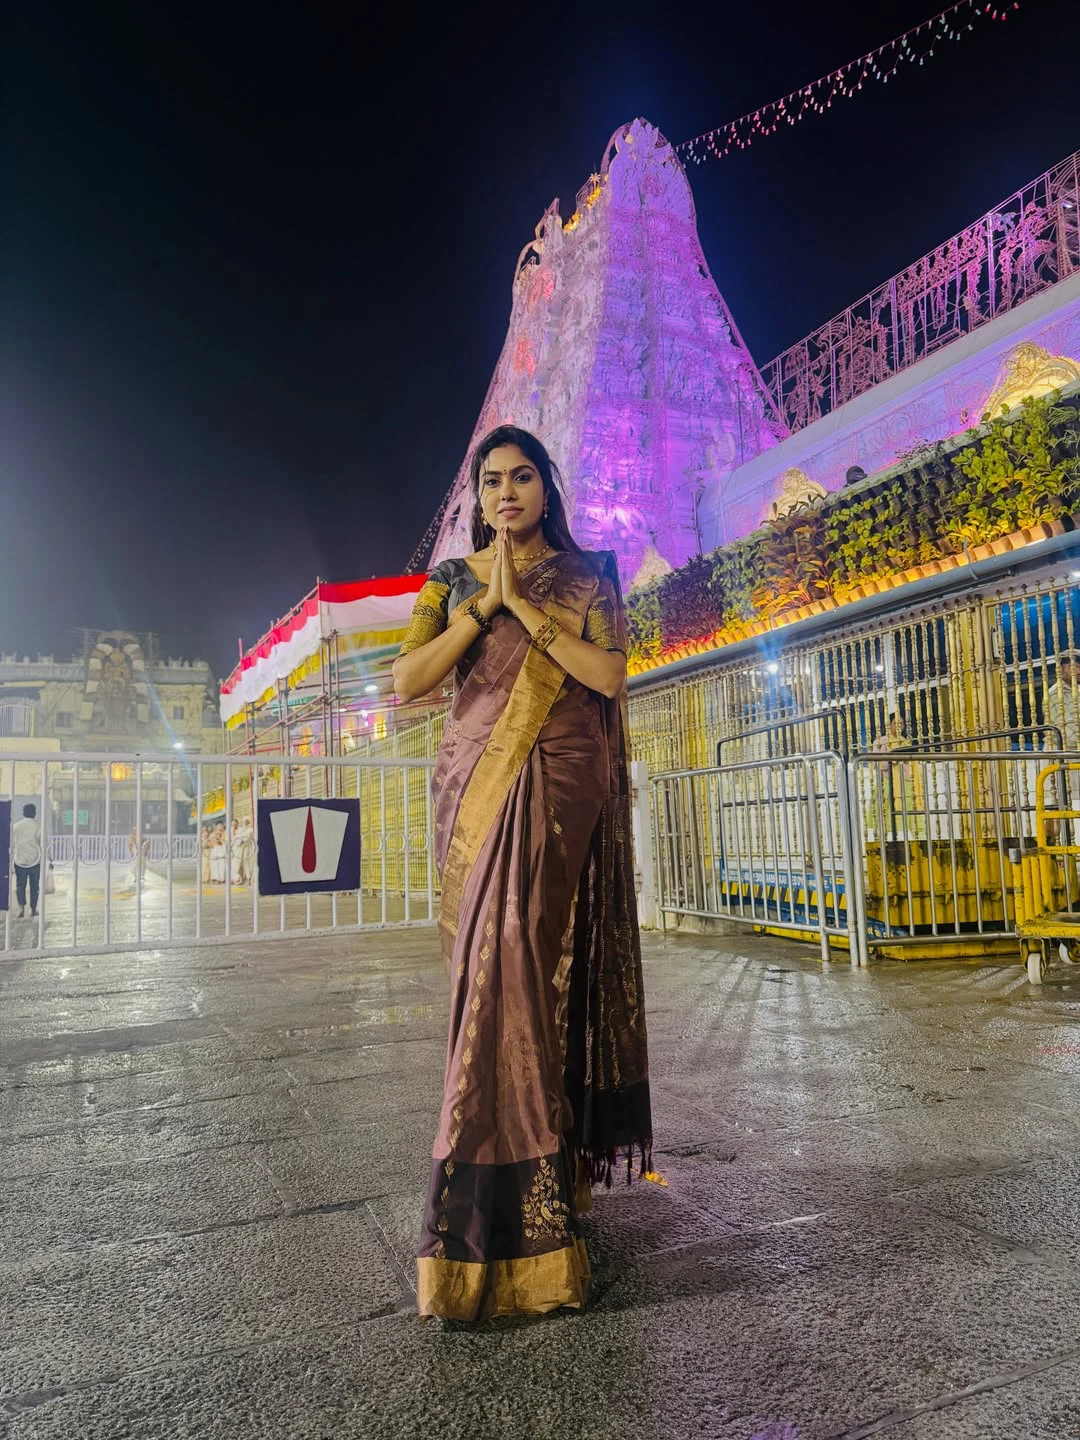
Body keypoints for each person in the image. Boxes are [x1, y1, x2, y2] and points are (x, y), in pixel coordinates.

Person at [394, 424, 652, 1323]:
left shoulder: (591, 575)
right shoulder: (451, 580)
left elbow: (610, 678)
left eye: (524, 477)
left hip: (556, 776)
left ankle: (514, 1210)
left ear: (548, 488)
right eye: (492, 480)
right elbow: (408, 680)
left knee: (516, 951)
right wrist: (480, 605)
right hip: (471, 787)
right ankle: (545, 1181)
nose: (508, 492)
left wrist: (525, 609)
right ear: (479, 493)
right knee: (491, 976)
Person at [12, 802, 42, 919]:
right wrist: (50, 858)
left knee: (20, 885)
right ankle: (33, 909)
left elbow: (12, 844)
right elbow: (44, 844)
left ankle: (21, 909)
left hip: (20, 860)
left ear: (23, 813)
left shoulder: (16, 826)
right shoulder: (38, 826)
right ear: (34, 813)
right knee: (34, 886)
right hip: (35, 860)